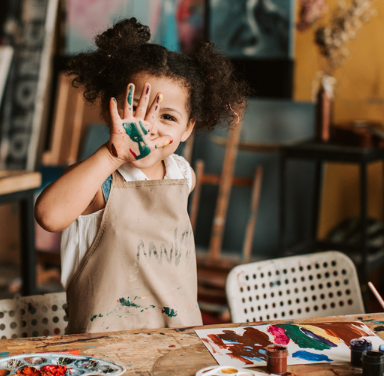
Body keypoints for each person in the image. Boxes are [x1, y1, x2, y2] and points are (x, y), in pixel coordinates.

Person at [35, 17, 249, 334]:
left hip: (176, 340)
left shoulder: (182, 175)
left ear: (188, 127)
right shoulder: (100, 178)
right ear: (112, 110)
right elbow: (48, 216)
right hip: (105, 350)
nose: (148, 126)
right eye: (135, 109)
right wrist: (111, 153)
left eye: (167, 116)